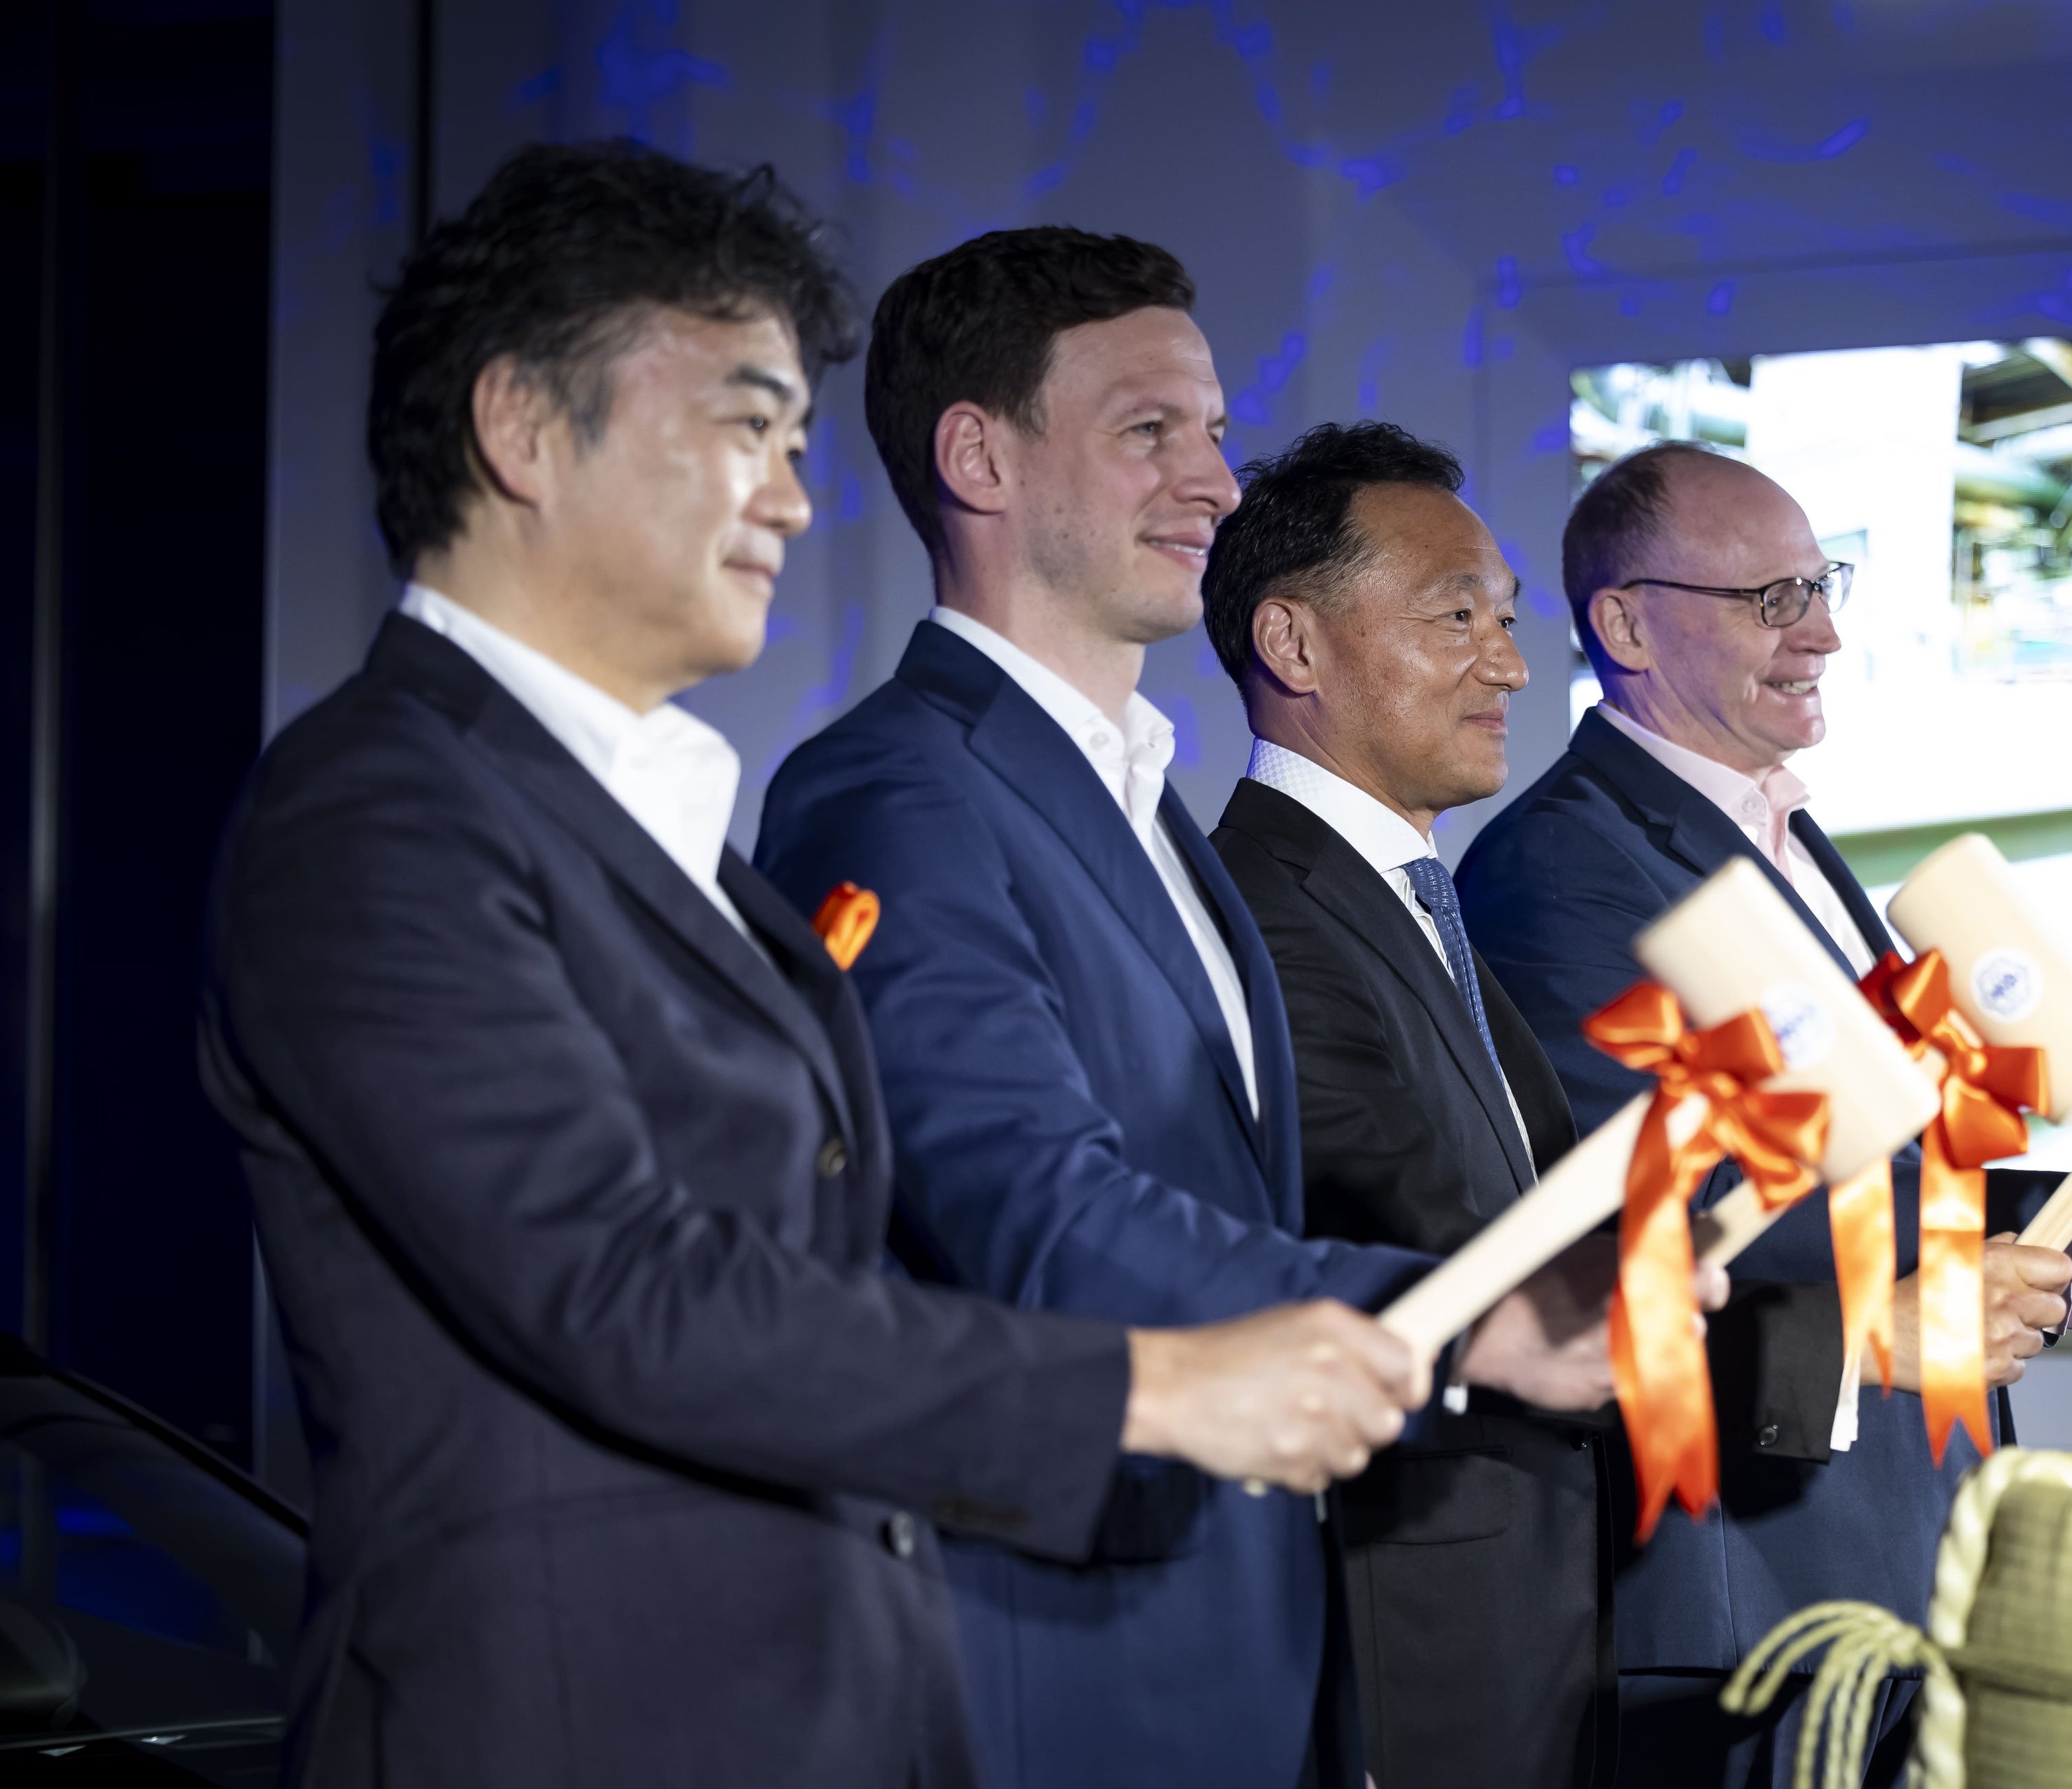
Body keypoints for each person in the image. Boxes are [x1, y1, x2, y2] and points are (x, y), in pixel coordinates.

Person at [198, 143, 1425, 1789]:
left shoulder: (652, 832)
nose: (789, 497)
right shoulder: (376, 810)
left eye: (792, 444)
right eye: (744, 429)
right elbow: (629, 1291)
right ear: (520, 428)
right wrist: (1161, 1382)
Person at [753, 229, 1629, 1789]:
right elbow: (1033, 1213)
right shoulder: (893, 789)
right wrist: (1463, 1320)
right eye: (1149, 430)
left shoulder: (1158, 813)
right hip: (1063, 1649)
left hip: (1250, 1626)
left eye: (1213, 432)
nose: (1214, 484)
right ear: (978, 458)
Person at [1457, 442, 2072, 1787]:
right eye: (1771, 599)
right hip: (1752, 1589)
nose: (1820, 632)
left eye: (1824, 586)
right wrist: (1951, 1282)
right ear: (1625, 625)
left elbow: (1864, 1163)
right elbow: (1671, 1208)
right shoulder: (1559, 866)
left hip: (1889, 1555)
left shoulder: (1778, 830)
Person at [1202, 422, 1625, 1788]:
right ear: (1294, 643)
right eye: (1457, 618)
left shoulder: (1411, 902)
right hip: (1411, 1643)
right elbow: (1427, 1241)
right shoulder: (1260, 914)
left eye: (1506, 620)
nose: (1509, 665)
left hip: (1533, 1616)